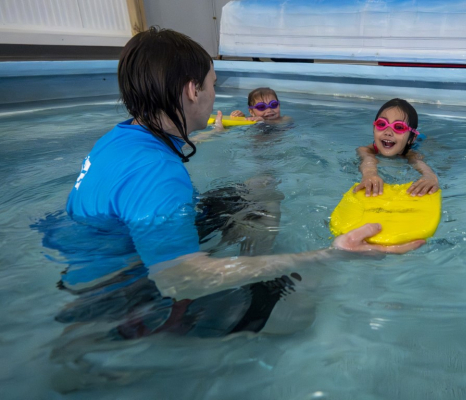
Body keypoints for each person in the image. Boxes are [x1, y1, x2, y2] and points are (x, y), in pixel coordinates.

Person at [58, 28, 425, 339]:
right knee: (299, 308)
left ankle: (247, 274)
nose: (215, 94)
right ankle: (236, 301)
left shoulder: (122, 138)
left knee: (260, 191)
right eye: (213, 84)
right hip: (118, 299)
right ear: (192, 90)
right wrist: (328, 255)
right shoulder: (156, 173)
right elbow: (180, 280)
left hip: (100, 262)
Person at [354, 98, 440, 197]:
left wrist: (430, 176)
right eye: (382, 124)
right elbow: (368, 160)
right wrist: (369, 174)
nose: (388, 132)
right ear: (374, 129)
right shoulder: (365, 150)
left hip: (419, 141)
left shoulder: (410, 153)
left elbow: (418, 162)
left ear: (411, 138)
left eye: (399, 127)